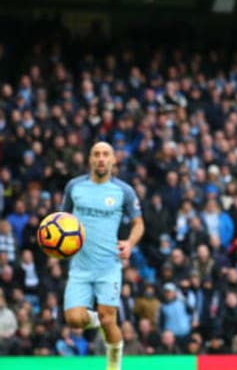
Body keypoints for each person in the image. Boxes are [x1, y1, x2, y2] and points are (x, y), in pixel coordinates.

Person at [61, 142, 145, 370]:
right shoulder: (74, 187)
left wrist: (129, 242)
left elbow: (139, 224)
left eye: (105, 154)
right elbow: (61, 220)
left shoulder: (123, 191)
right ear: (89, 159)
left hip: (109, 266)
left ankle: (114, 365)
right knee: (74, 320)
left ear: (113, 160)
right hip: (79, 266)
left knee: (110, 320)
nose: (101, 158)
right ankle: (95, 318)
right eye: (96, 154)